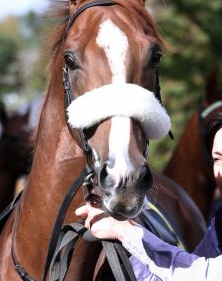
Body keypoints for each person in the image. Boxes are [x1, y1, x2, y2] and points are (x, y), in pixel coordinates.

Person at [75, 113, 222, 280]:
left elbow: (203, 275)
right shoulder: (218, 228)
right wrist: (131, 251)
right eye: (217, 158)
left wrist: (129, 233)